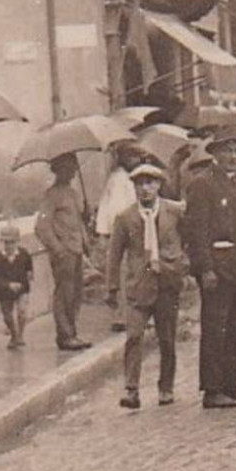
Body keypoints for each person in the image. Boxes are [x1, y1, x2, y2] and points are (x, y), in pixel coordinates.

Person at [182, 128, 236, 409]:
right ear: (215, 154)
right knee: (216, 328)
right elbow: (196, 230)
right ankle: (213, 389)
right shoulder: (202, 184)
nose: (233, 156)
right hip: (218, 270)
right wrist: (205, 268)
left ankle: (234, 383)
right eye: (227, 150)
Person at [105, 163, 189, 409]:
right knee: (134, 337)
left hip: (167, 283)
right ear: (134, 188)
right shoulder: (125, 218)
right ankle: (132, 390)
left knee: (167, 339)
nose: (145, 189)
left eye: (150, 183)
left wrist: (183, 265)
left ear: (159, 185)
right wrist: (111, 287)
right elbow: (114, 254)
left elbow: (189, 239)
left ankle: (166, 387)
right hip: (138, 286)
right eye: (140, 184)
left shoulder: (174, 212)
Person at [34, 152, 92, 352]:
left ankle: (72, 332)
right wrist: (57, 249)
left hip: (76, 250)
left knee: (76, 293)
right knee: (64, 294)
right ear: (59, 170)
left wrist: (86, 220)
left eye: (74, 168)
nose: (73, 172)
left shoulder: (72, 193)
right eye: (69, 168)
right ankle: (65, 335)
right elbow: (41, 226)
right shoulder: (51, 195)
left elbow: (77, 222)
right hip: (64, 252)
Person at [94, 141, 143, 333]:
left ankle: (128, 312)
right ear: (124, 158)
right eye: (133, 156)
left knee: (129, 273)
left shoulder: (127, 178)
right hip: (121, 232)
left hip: (125, 230)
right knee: (122, 275)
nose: (137, 160)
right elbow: (117, 210)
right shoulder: (119, 180)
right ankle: (122, 316)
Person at [0, 222, 34, 350]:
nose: (9, 246)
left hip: (21, 287)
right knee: (7, 315)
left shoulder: (23, 254)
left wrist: (29, 275)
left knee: (22, 311)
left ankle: (20, 335)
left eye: (12, 242)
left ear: (18, 241)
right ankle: (13, 334)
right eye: (6, 242)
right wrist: (8, 285)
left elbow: (29, 267)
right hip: (4, 291)